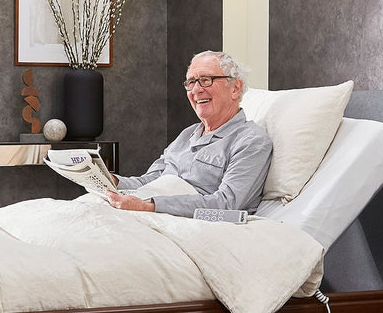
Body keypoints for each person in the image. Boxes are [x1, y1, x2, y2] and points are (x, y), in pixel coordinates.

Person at [107, 51, 272, 217]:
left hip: (194, 224)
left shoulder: (251, 141)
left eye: (206, 80)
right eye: (191, 82)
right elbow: (149, 180)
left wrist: (149, 206)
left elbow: (226, 204)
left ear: (235, 88)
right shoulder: (187, 135)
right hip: (152, 210)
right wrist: (112, 181)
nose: (196, 90)